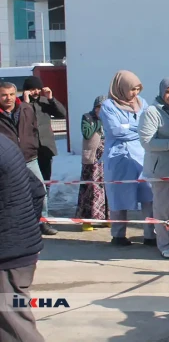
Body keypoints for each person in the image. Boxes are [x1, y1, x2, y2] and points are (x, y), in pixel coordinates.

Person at [101, 71, 155, 247]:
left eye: (137, 89)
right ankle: (118, 235)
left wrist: (129, 128)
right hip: (120, 157)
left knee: (148, 194)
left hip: (142, 155)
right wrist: (138, 130)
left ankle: (150, 235)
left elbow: (149, 127)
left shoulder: (143, 103)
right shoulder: (108, 106)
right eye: (131, 89)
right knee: (119, 196)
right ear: (121, 88)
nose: (135, 94)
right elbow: (115, 131)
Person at [0, 134, 46, 342]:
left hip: (8, 256)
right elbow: (36, 190)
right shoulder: (5, 142)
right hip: (18, 247)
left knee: (15, 327)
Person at [139, 78, 169, 259]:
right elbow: (147, 142)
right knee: (164, 208)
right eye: (168, 92)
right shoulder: (151, 112)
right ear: (161, 92)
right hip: (162, 169)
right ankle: (165, 243)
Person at [0, 82, 51, 235]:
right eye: (3, 95)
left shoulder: (26, 108)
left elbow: (34, 129)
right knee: (10, 194)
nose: (8, 98)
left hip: (30, 158)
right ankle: (15, 225)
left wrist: (32, 146)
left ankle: (43, 222)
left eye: (11, 94)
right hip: (8, 161)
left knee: (40, 191)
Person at [23, 76, 67, 233]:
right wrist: (26, 102)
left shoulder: (44, 101)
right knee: (26, 186)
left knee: (45, 185)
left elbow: (62, 113)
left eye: (37, 89)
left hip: (45, 148)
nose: (35, 91)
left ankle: (44, 220)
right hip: (27, 150)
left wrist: (51, 99)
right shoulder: (20, 104)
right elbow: (20, 119)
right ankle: (29, 219)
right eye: (32, 89)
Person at [75, 95, 110, 231]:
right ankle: (87, 220)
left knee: (107, 188)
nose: (101, 111)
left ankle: (107, 218)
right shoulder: (87, 117)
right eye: (99, 108)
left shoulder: (110, 119)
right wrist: (98, 122)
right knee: (90, 190)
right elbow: (87, 134)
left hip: (105, 159)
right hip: (92, 160)